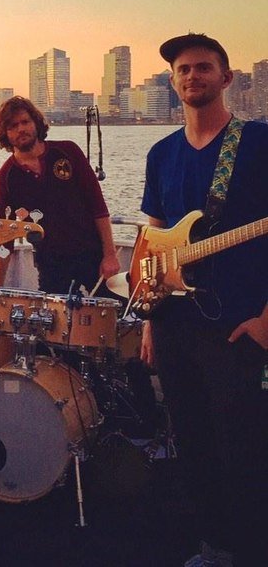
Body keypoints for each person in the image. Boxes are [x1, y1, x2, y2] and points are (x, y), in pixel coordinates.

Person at [140, 33, 267, 567]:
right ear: (174, 82)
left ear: (226, 77)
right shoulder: (161, 154)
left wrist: (266, 319)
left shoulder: (258, 142)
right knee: (193, 443)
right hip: (174, 324)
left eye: (204, 67)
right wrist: (149, 320)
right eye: (183, 70)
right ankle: (215, 548)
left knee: (247, 450)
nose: (193, 76)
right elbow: (153, 240)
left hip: (239, 323)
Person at [0, 96, 120, 295]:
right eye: (13, 126)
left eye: (25, 122)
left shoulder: (68, 151)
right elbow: (3, 238)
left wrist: (110, 255)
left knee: (114, 309)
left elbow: (98, 206)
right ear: (5, 134)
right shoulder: (5, 178)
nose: (21, 129)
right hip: (51, 265)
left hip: (93, 254)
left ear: (36, 123)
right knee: (55, 315)